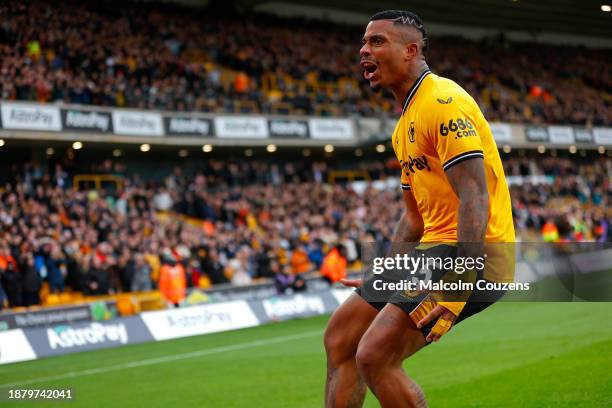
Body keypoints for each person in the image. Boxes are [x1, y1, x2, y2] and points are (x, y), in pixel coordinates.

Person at [324, 10, 515, 407]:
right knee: (341, 338)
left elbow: (474, 196)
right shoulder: (402, 126)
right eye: (364, 42)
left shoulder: (443, 101)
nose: (364, 49)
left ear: (411, 50)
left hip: (476, 255)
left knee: (375, 355)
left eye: (377, 41)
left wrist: (457, 285)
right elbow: (415, 218)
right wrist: (387, 274)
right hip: (433, 252)